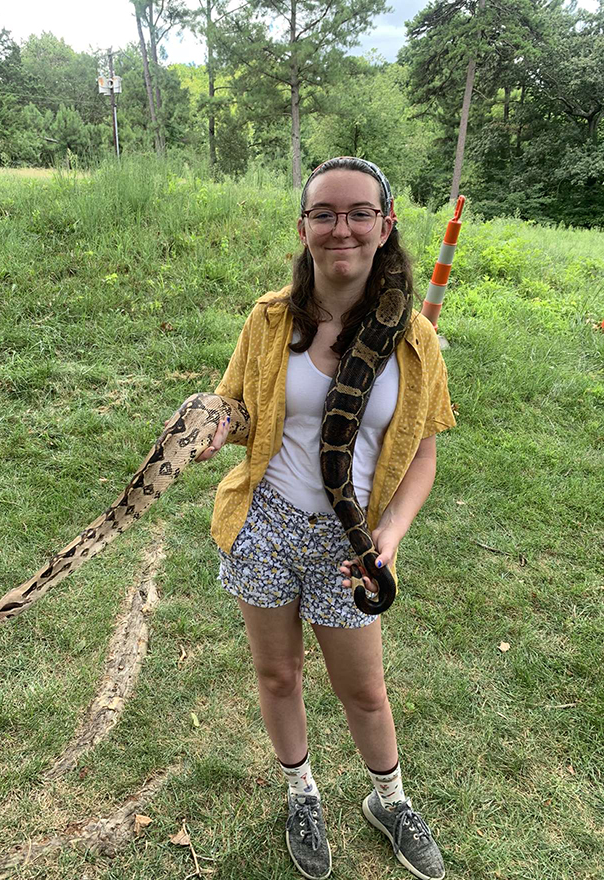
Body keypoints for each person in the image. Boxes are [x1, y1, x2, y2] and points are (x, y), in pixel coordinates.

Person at [197, 156, 456, 880]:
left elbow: (422, 456)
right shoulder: (270, 319)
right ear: (304, 226)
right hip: (265, 525)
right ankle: (300, 791)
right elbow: (240, 408)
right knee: (276, 675)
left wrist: (388, 538)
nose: (340, 227)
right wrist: (218, 425)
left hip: (349, 544)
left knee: (364, 689)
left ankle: (389, 799)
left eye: (357, 212)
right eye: (324, 213)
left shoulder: (415, 341)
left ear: (384, 224)